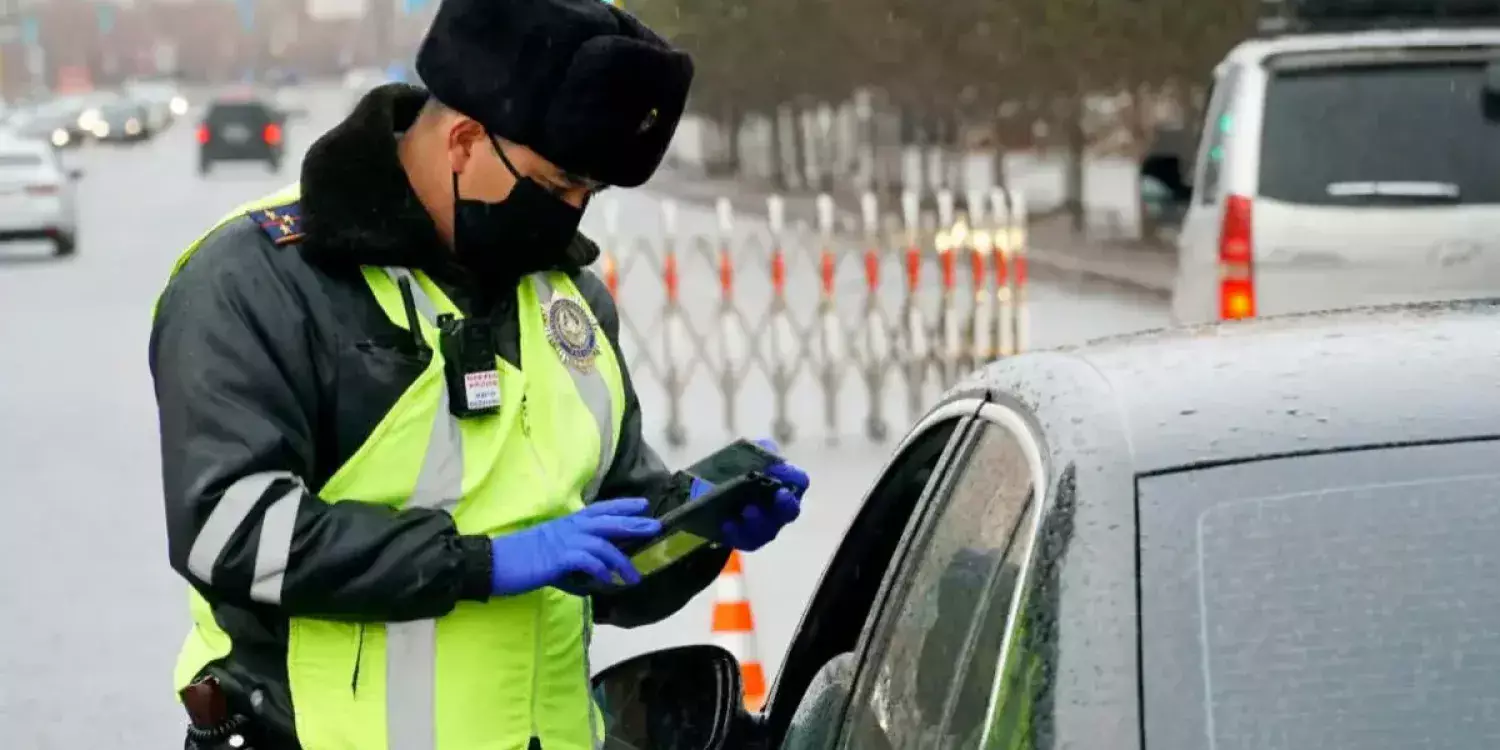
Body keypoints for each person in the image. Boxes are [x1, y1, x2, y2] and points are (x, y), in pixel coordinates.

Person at [148, 0, 810, 747]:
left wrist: (697, 527)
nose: (570, 216)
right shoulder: (261, 281)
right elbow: (231, 535)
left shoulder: (566, 300)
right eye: (557, 185)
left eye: (589, 195)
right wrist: (481, 564)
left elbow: (606, 554)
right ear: (464, 140)